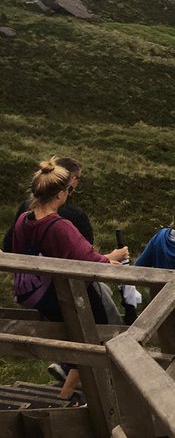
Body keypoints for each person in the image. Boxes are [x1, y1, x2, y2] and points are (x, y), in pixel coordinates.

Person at [9, 160, 128, 405]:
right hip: (60, 295)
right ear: (61, 194)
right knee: (98, 332)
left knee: (83, 335)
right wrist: (113, 259)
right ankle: (73, 395)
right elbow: (89, 261)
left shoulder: (22, 220)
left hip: (30, 292)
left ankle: (72, 387)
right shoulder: (61, 226)